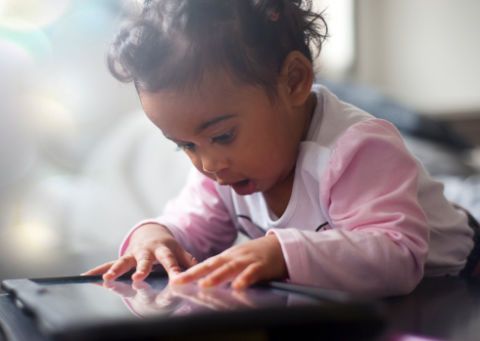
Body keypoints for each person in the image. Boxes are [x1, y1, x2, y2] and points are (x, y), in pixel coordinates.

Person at [84, 0, 479, 297]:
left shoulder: (356, 147)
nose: (207, 163)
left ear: (293, 81)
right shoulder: (222, 168)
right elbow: (192, 224)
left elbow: (398, 256)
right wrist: (157, 237)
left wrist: (279, 251)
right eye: (184, 145)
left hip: (458, 273)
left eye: (222, 136)